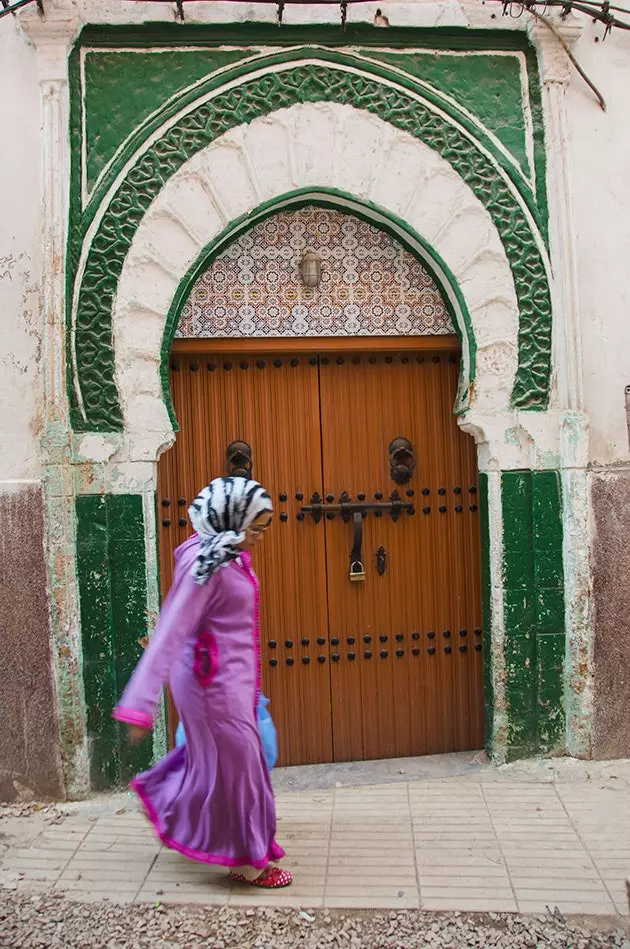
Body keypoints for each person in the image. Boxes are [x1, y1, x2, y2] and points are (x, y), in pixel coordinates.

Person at [112, 476, 292, 889]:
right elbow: (171, 630)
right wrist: (139, 704)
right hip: (212, 685)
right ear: (231, 520)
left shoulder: (225, 553)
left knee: (226, 764)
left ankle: (168, 802)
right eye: (256, 528)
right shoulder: (204, 565)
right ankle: (249, 862)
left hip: (229, 680)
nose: (259, 538)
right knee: (243, 766)